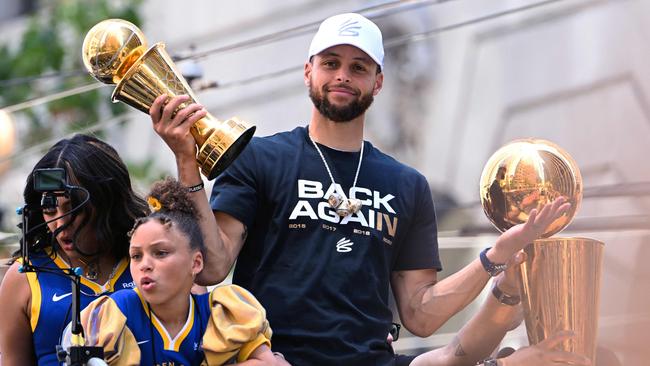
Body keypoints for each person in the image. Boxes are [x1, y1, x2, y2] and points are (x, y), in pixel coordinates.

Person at [149, 13, 575, 365]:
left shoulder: (406, 185)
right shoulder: (259, 158)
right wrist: (188, 162)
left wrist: (496, 256)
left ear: (378, 81)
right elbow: (212, 266)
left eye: (359, 67)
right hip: (274, 358)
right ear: (308, 71)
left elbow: (420, 315)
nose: (343, 76)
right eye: (330, 63)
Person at [63, 178, 285, 365]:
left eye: (160, 253)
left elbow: (267, 363)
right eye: (136, 256)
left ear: (196, 263)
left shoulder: (222, 312)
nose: (145, 265)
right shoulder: (114, 313)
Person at [0, 134, 149, 365]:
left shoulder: (150, 260)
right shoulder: (23, 280)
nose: (60, 224)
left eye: (74, 208)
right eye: (50, 210)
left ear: (107, 201)